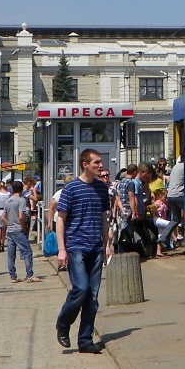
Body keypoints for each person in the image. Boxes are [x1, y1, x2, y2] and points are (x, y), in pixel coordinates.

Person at [55, 149, 110, 354]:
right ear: (85, 164)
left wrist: (107, 244)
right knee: (81, 288)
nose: (100, 166)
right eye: (96, 162)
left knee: (92, 297)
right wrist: (62, 249)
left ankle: (85, 340)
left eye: (100, 162)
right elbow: (61, 219)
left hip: (96, 246)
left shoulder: (101, 189)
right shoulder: (71, 188)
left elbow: (104, 218)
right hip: (76, 246)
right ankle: (63, 322)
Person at [3, 181, 40, 283]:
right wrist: (22, 227)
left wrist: (9, 224)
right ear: (21, 189)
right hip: (18, 230)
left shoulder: (8, 201)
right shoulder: (21, 200)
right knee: (27, 252)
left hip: (10, 230)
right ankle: (29, 274)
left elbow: (3, 217)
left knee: (11, 255)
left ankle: (13, 276)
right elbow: (21, 216)